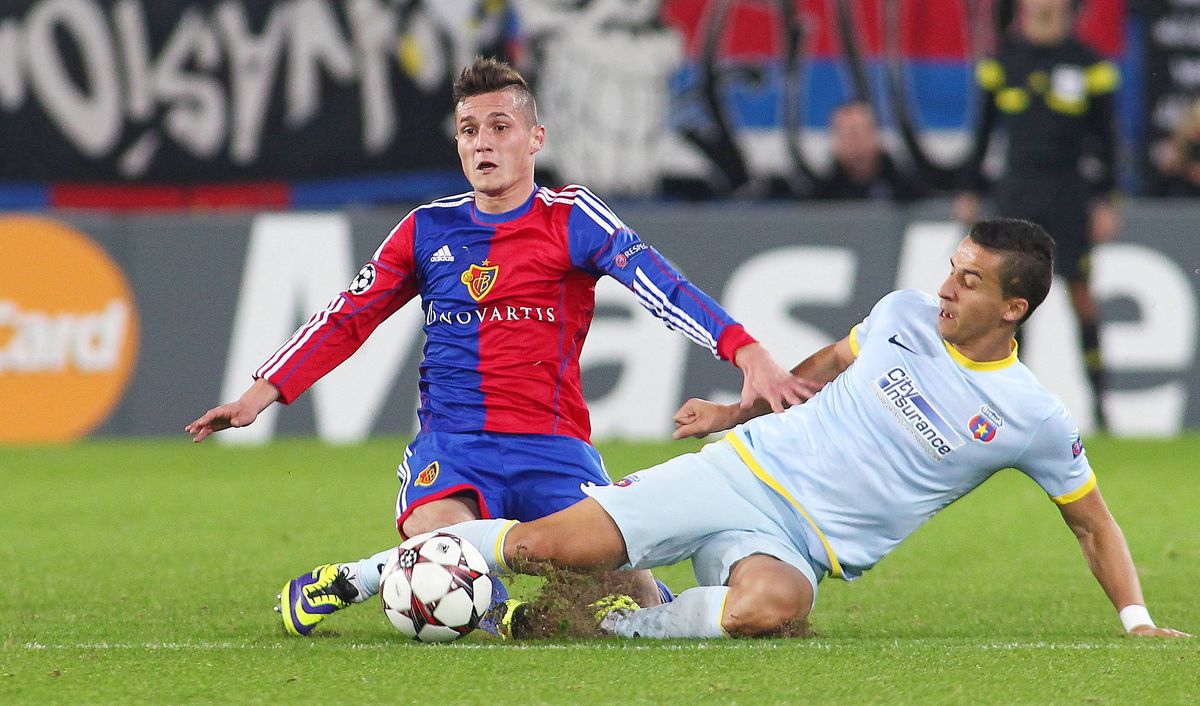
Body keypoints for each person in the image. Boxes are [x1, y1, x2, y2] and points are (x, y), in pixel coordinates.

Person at [185, 57, 814, 637]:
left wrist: (745, 350)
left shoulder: (573, 218)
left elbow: (661, 285)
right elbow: (347, 316)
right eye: (468, 130)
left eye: (499, 126)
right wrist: (260, 393)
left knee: (632, 599)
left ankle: (361, 577)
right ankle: (497, 614)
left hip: (555, 451)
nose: (482, 142)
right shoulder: (426, 228)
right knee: (439, 546)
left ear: (535, 138)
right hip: (453, 448)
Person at [445, 219, 1189, 640]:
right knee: (547, 546)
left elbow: (1093, 524)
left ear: (1013, 309)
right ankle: (390, 566)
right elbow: (832, 361)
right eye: (951, 268)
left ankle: (611, 626)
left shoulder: (1032, 417)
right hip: (741, 472)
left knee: (773, 610)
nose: (944, 288)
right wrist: (735, 411)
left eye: (969, 281)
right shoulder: (902, 315)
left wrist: (1137, 621)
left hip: (798, 544)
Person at [955, 0, 1120, 430]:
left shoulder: (1090, 65)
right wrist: (970, 189)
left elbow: (1107, 139)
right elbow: (982, 133)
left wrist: (1106, 199)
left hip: (1069, 194)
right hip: (1017, 193)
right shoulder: (1001, 61)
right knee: (1010, 300)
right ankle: (1012, 404)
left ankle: (1102, 404)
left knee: (1080, 294)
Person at [811, 101, 926, 202]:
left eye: (858, 133)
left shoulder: (906, 183)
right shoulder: (823, 192)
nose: (853, 142)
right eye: (846, 134)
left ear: (874, 133)